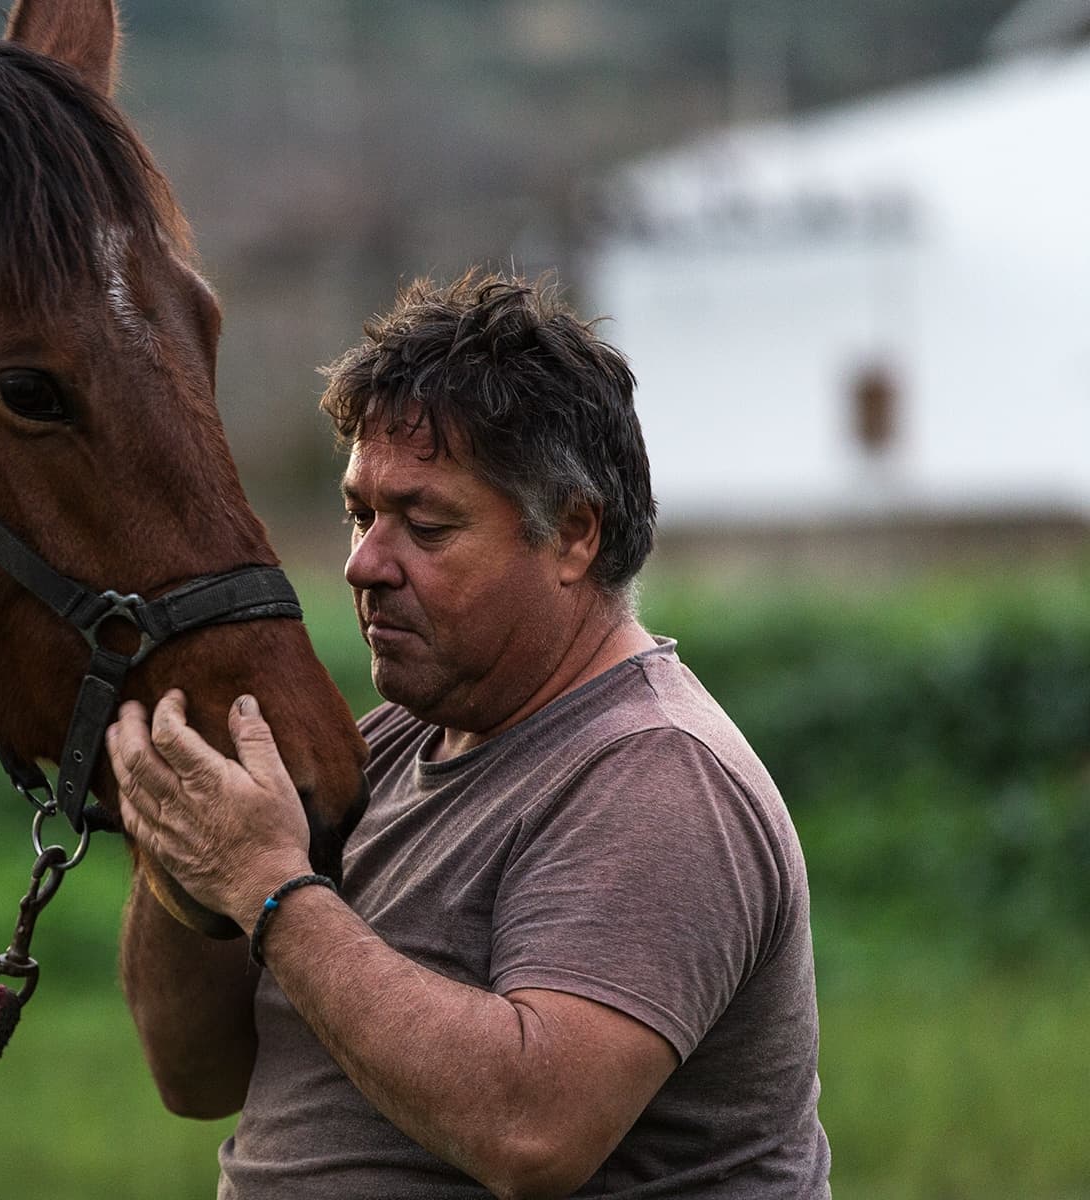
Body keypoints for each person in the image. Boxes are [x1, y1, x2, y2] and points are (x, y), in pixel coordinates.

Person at [106, 271, 830, 1198]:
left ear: (572, 535)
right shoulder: (391, 745)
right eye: (361, 514)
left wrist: (269, 885)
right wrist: (188, 856)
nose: (365, 563)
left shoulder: (654, 774)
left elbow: (533, 1131)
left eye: (425, 523)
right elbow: (193, 1075)